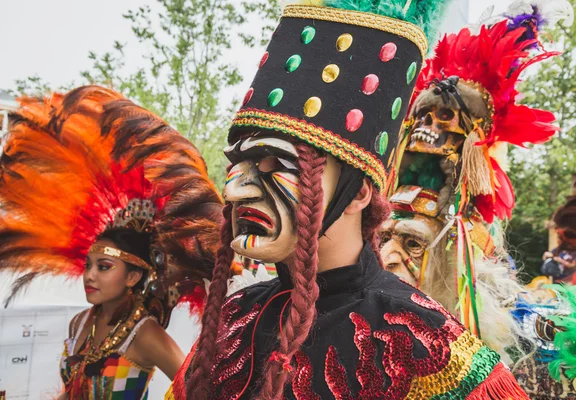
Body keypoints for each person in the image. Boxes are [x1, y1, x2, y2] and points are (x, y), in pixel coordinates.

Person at [167, 1, 528, 399]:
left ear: (357, 193)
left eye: (276, 165)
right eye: (240, 163)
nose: (234, 190)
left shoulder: (433, 349)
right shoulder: (234, 316)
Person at [0, 86, 223, 399]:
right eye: (89, 265)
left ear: (133, 276)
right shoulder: (79, 324)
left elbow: (196, 390)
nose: (90, 275)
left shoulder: (145, 334)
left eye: (104, 267)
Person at [380, 0, 570, 362]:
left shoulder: (468, 234)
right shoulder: (389, 197)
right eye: (422, 116)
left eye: (444, 117)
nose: (427, 127)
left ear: (473, 136)